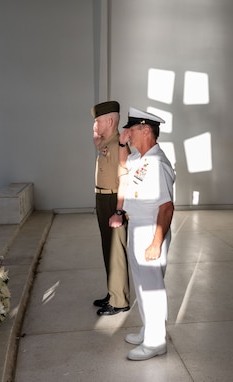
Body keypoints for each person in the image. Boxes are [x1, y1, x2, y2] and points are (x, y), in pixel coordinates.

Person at [110, 107, 175, 361]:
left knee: (152, 287)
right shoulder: (143, 157)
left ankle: (156, 341)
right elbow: (124, 164)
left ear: (146, 129)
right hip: (137, 226)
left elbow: (166, 207)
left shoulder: (157, 163)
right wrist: (122, 141)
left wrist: (156, 243)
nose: (128, 133)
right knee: (141, 284)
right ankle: (149, 328)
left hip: (151, 228)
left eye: (132, 128)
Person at [91, 101, 131, 316]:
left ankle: (120, 300)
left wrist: (118, 211)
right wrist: (97, 132)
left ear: (109, 121)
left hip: (113, 201)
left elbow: (124, 180)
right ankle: (112, 292)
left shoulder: (119, 146)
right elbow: (97, 141)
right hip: (102, 199)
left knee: (116, 251)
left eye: (97, 121)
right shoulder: (107, 142)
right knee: (108, 249)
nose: (94, 125)